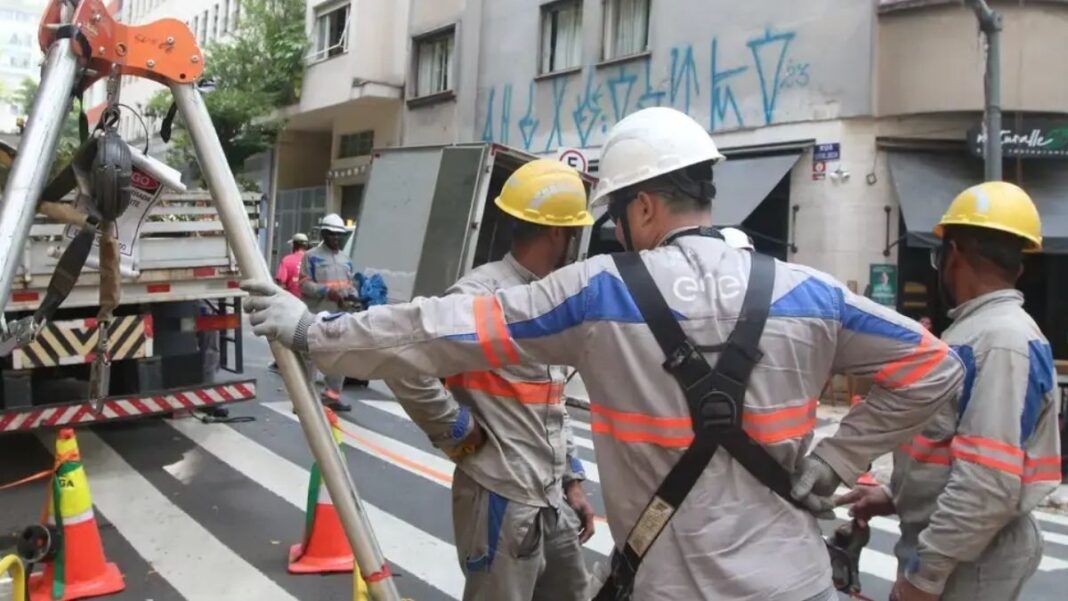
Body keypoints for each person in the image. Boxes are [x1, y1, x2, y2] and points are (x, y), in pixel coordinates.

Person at [244, 107, 963, 601]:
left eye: (618, 213)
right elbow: (936, 367)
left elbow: (438, 330)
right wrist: (837, 459)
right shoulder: (809, 292)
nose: (615, 232)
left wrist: (313, 332)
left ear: (644, 206)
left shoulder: (597, 292)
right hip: (796, 583)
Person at [836, 181, 1061, 601]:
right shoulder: (977, 332)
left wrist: (926, 577)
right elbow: (948, 446)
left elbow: (987, 483)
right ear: (1019, 265)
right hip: (962, 548)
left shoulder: (1000, 341)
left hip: (971, 560)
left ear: (951, 254)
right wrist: (894, 495)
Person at [384, 159, 595, 601]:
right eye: (573, 232)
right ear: (558, 233)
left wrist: (572, 480)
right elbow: (405, 363)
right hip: (502, 496)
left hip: (550, 497)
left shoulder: (549, 295)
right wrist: (457, 429)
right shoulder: (480, 295)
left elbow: (550, 399)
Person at [299, 214, 356, 412]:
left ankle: (332, 397)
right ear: (323, 234)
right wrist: (326, 291)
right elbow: (304, 284)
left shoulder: (346, 259)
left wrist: (354, 296)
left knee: (339, 355)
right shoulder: (311, 256)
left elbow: (349, 285)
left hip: (340, 315)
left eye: (339, 235)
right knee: (310, 357)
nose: (336, 238)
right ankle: (305, 401)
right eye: (332, 234)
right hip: (316, 314)